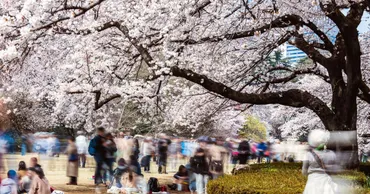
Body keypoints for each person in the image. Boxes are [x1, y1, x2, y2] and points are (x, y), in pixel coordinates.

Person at [302, 129, 338, 194]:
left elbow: (304, 171)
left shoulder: (308, 155)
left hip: (313, 181)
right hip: (326, 180)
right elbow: (335, 170)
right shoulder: (332, 154)